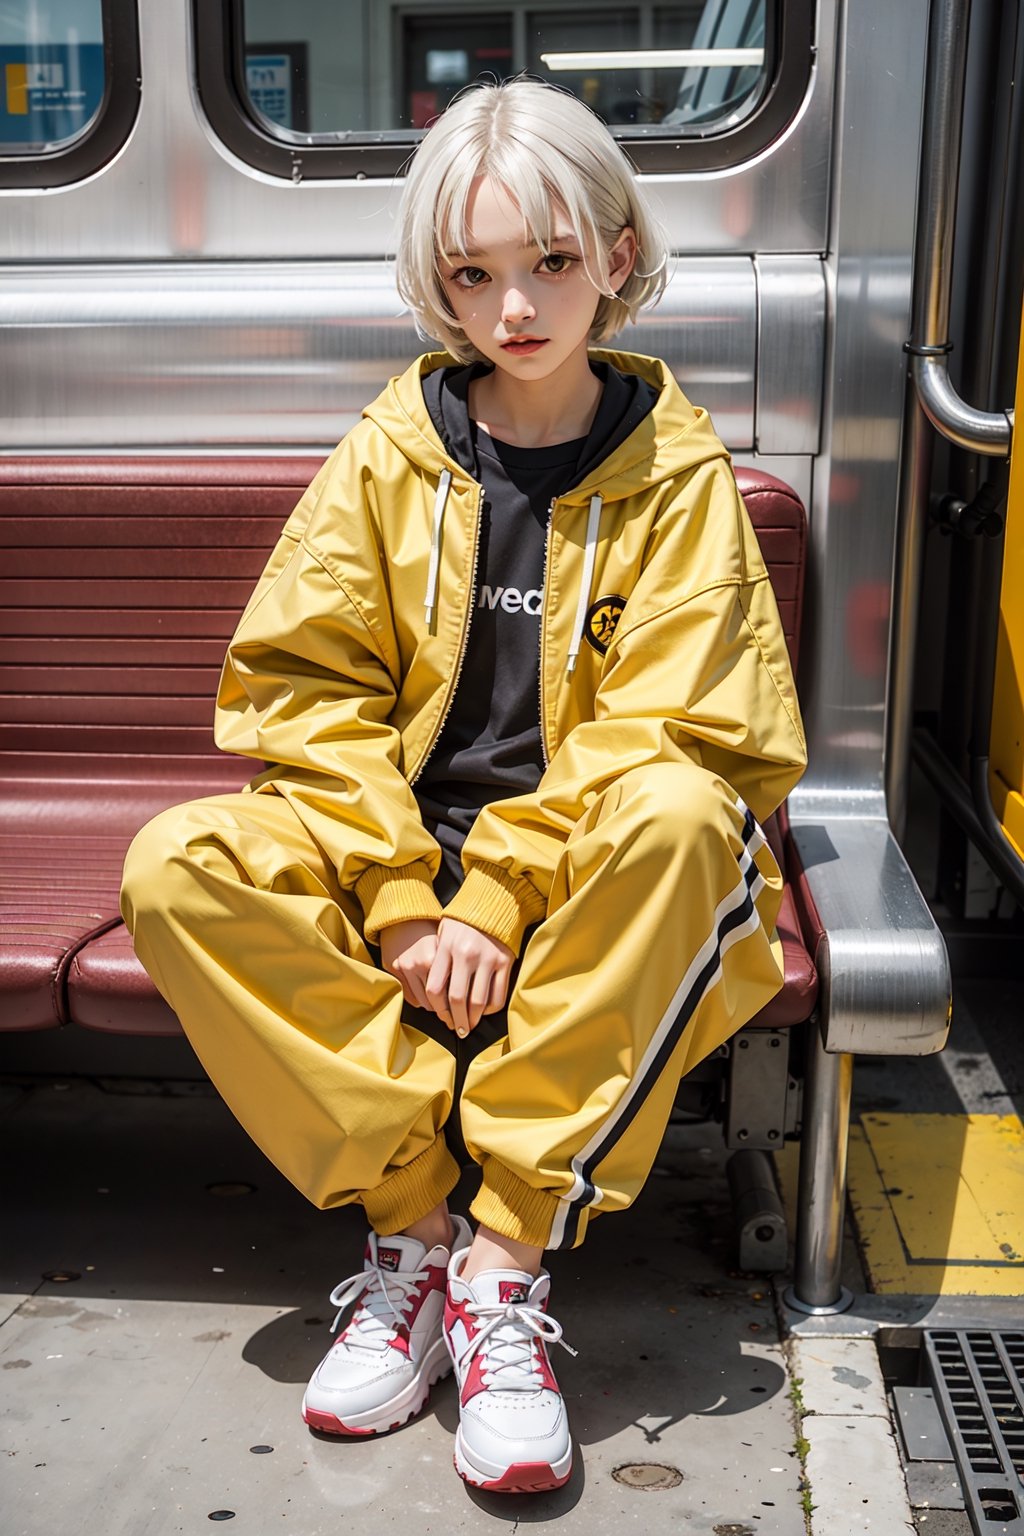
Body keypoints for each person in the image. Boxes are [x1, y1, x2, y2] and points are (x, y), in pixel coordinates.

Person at [120, 77, 806, 1495]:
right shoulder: (392, 450)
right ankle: (417, 1229)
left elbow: (672, 731)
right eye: (474, 273)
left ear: (618, 254)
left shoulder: (678, 478)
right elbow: (307, 692)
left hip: (588, 868)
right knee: (181, 860)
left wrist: (491, 892)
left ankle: (506, 1265)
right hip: (405, 862)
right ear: (436, 284)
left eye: (552, 261)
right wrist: (394, 892)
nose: (516, 308)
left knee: (688, 820)